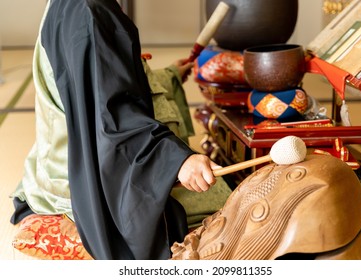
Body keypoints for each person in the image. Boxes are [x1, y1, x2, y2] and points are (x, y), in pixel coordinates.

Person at [10, 0, 222, 260]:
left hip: (49, 165)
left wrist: (168, 75)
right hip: (77, 178)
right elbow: (112, 117)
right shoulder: (90, 11)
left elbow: (97, 85)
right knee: (224, 202)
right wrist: (175, 160)